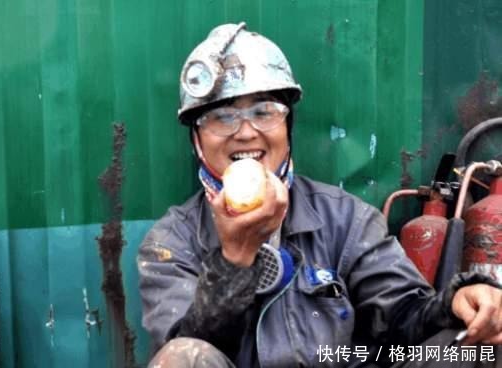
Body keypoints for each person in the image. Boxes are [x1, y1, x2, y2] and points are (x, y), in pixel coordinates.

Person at [138, 23, 502, 368]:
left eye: (264, 111)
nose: (246, 131)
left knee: (478, 347)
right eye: (222, 117)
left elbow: (404, 318)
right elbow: (182, 350)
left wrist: (455, 302)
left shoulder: (345, 219)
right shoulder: (172, 242)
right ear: (197, 140)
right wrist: (235, 260)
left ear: (287, 126)